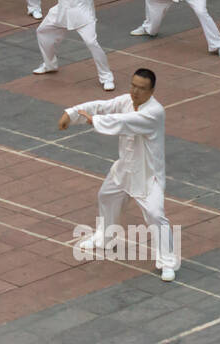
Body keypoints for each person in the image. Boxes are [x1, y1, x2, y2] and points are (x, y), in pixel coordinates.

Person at [60, 68, 178, 281]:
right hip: (124, 168)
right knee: (106, 196)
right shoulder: (125, 100)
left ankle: (167, 262)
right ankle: (104, 238)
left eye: (141, 88)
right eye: (133, 85)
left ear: (152, 91)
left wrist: (93, 121)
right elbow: (102, 106)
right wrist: (72, 113)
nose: (135, 91)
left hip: (147, 175)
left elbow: (124, 123)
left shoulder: (154, 112)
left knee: (155, 214)